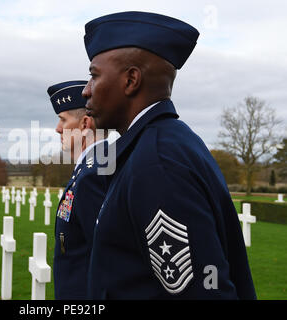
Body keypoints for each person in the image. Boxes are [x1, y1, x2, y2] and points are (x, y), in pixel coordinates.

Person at [81, 11, 257, 299]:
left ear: (131, 80)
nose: (86, 91)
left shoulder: (157, 162)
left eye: (93, 75)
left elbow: (203, 291)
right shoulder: (163, 144)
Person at [47, 80, 109, 299]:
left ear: (85, 124)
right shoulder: (91, 168)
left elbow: (105, 258)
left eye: (63, 120)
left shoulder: (93, 175)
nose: (57, 129)